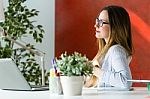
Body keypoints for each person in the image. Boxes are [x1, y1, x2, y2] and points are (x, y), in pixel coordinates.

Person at [84, 5, 133, 89]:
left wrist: (94, 70)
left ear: (115, 27)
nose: (96, 25)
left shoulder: (116, 50)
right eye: (97, 21)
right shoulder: (106, 51)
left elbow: (126, 82)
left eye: (101, 22)